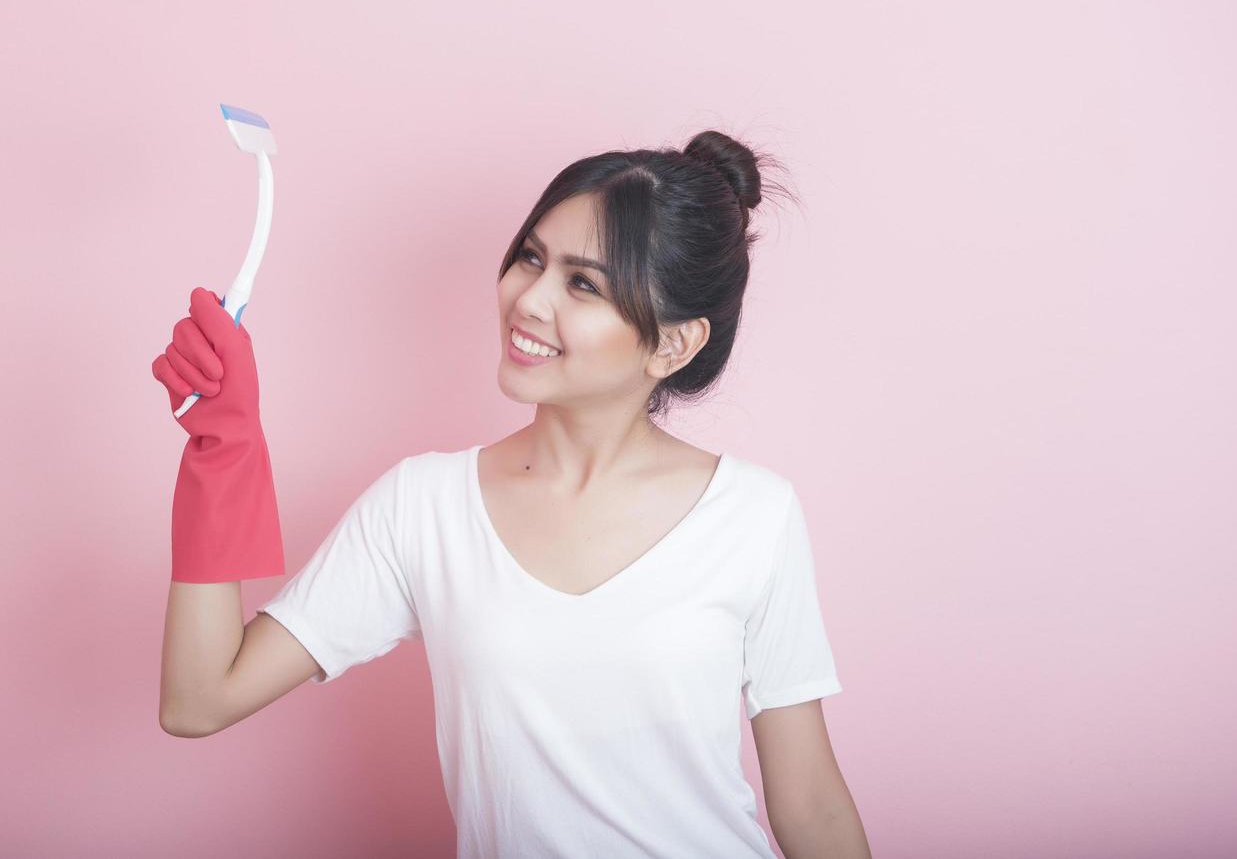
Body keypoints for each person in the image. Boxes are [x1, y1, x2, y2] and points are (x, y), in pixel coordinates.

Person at [152, 130, 872, 858]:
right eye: (532, 258)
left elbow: (811, 807)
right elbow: (200, 699)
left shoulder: (753, 516)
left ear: (672, 345)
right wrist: (223, 453)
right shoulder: (423, 507)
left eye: (582, 283)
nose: (528, 299)